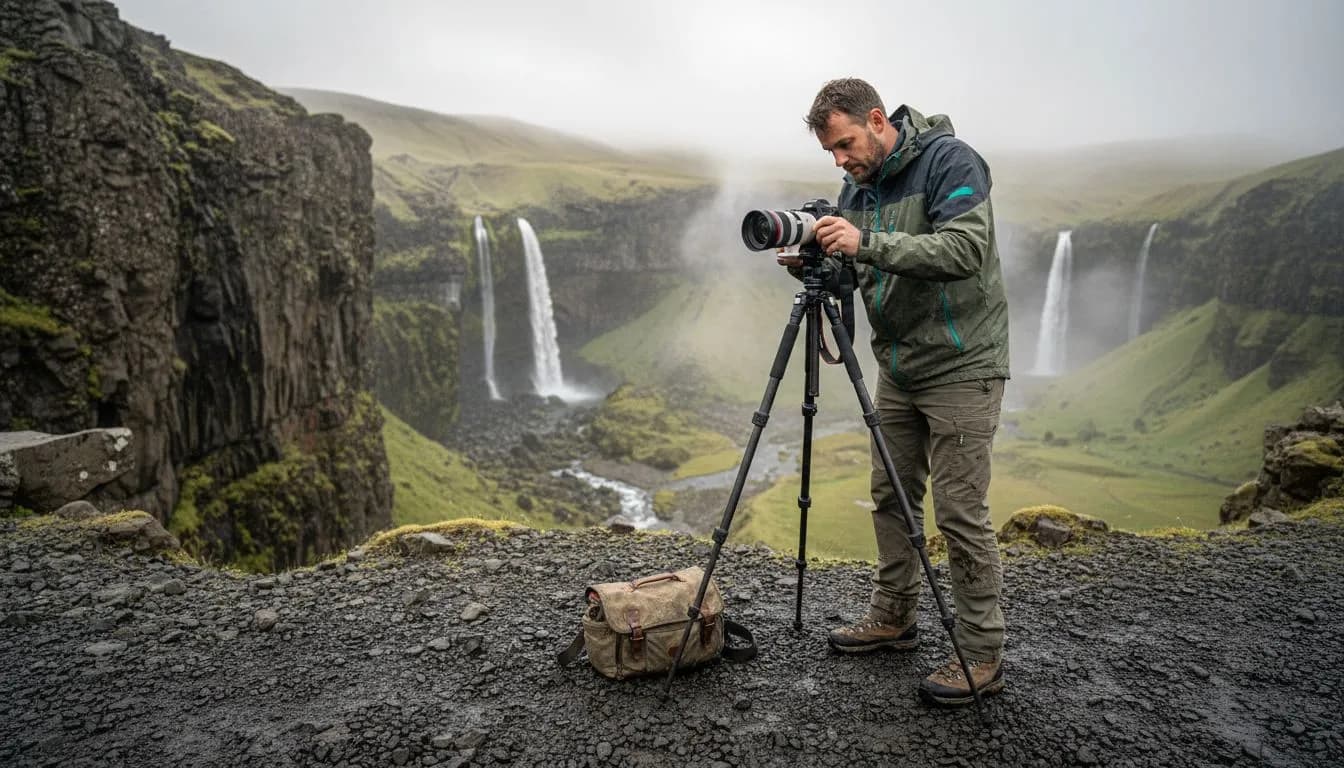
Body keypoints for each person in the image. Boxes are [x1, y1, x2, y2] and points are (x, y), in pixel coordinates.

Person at [781, 78, 1011, 706]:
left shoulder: (950, 161)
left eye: (846, 144)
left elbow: (967, 249)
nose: (840, 161)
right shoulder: (859, 187)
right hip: (899, 365)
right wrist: (820, 260)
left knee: (961, 513)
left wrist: (865, 242)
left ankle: (982, 651)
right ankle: (894, 616)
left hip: (963, 363)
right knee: (890, 494)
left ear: (878, 120)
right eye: (830, 152)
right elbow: (861, 265)